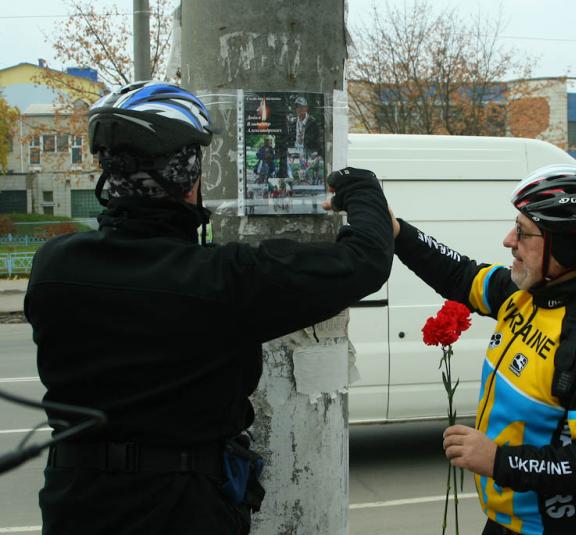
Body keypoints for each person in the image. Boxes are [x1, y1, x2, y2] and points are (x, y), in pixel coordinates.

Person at [25, 81, 393, 535]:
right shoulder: (218, 278)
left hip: (74, 505)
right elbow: (365, 262)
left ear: (110, 174)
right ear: (187, 177)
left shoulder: (53, 266)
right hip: (179, 509)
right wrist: (363, 190)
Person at [391, 161, 576, 534]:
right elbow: (459, 274)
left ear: (566, 248)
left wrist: (497, 460)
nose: (509, 240)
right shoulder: (522, 296)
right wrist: (396, 232)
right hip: (505, 523)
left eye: (523, 232)